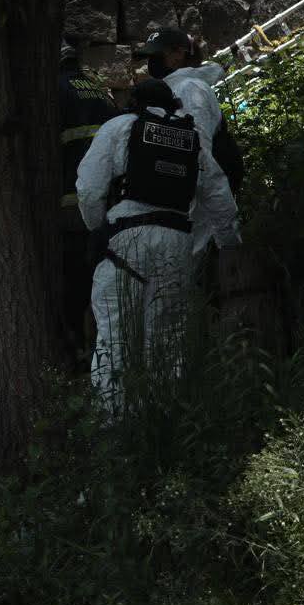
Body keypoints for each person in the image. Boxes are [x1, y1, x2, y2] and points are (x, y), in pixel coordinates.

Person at [76, 79, 241, 411]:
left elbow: (89, 189)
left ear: (133, 102)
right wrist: (229, 246)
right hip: (177, 242)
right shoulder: (191, 137)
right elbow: (219, 196)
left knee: (114, 337)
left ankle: (116, 428)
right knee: (167, 340)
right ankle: (164, 422)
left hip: (124, 240)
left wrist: (98, 229)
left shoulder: (119, 127)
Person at [134, 27, 244, 253]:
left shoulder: (189, 90)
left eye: (157, 55)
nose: (151, 63)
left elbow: (201, 161)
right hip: (187, 206)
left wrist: (228, 239)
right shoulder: (171, 90)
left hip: (202, 210)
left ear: (178, 54)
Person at [58, 41, 118, 357]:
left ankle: (77, 350)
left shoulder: (54, 91)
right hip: (104, 204)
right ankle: (98, 346)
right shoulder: (98, 90)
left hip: (69, 204)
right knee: (98, 276)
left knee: (72, 280)